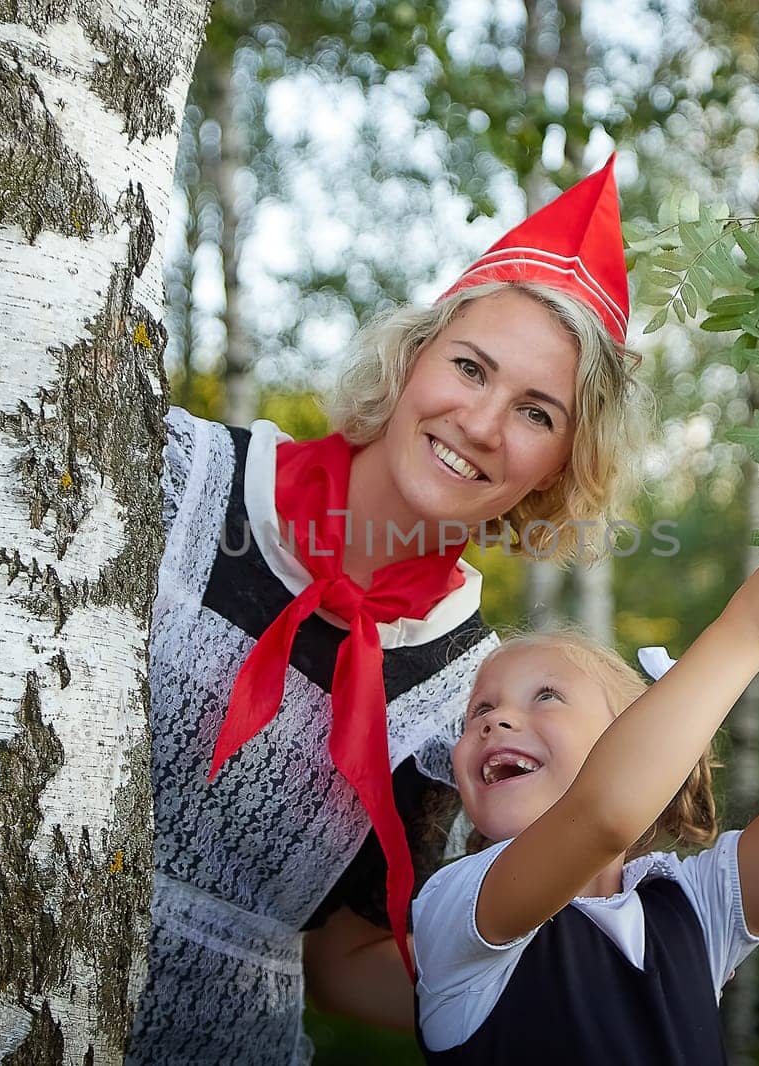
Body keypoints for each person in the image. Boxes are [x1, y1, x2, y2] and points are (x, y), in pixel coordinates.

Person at [129, 157, 651, 1063]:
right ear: (412, 358)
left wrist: (567, 1013)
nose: (483, 424)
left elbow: (344, 958)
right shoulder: (181, 477)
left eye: (535, 412)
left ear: (564, 462)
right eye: (470, 368)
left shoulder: (467, 693)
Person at [412, 488, 759, 1063]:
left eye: (546, 696)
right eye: (479, 712)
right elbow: (602, 814)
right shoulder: (455, 910)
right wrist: (748, 629)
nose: (496, 720)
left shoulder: (695, 909)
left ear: (636, 731)